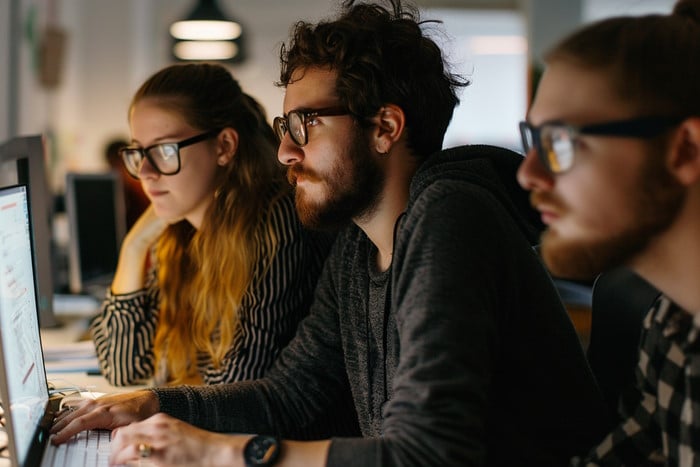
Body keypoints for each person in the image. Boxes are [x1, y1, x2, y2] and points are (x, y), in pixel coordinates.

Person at [52, 1, 610, 465]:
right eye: (284, 126)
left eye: (306, 125)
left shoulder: (451, 217)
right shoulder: (358, 243)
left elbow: (427, 454)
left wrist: (224, 452)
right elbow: (290, 395)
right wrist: (150, 403)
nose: (285, 152)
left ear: (385, 128)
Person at [516, 1, 700, 464]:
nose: (527, 174)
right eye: (533, 139)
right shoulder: (672, 326)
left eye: (560, 141)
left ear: (685, 150)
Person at [90, 63, 340, 396]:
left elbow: (235, 389)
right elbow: (122, 368)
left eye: (165, 151)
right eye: (138, 152)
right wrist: (134, 247)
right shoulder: (177, 232)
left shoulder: (276, 220)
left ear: (223, 146)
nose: (146, 172)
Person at [104, 137, 151, 229]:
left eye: (121, 164)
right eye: (114, 165)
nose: (119, 171)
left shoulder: (143, 191)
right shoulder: (105, 194)